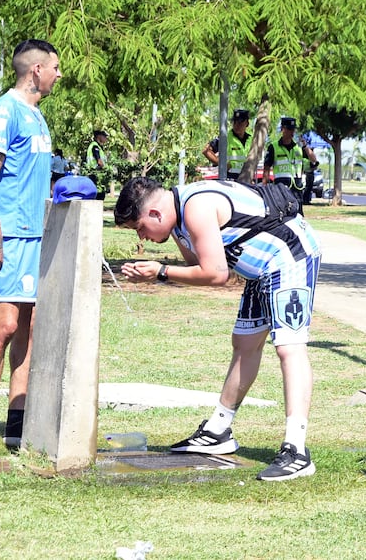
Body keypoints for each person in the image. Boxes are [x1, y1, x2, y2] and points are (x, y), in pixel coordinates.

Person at [114, 177, 321, 481]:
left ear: (155, 213)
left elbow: (215, 273)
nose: (142, 238)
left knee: (289, 347)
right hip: (261, 270)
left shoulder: (195, 208)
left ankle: (296, 449)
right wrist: (169, 247)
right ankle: (218, 430)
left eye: (141, 228)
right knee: (245, 343)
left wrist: (159, 272)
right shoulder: (179, 215)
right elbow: (198, 263)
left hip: (289, 257)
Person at [0, 39, 61, 455]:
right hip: (11, 235)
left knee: (30, 326)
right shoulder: (4, 111)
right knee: (5, 326)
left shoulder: (38, 116)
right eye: (55, 68)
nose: (59, 75)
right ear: (36, 69)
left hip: (37, 236)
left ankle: (17, 421)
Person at [262, 117, 316, 211]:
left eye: (293, 129)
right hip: (280, 188)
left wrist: (305, 146)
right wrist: (264, 188)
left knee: (298, 215)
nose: (292, 132)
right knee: (281, 214)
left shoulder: (299, 147)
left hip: (296, 189)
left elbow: (313, 160)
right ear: (283, 129)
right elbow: (266, 168)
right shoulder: (273, 147)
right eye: (289, 129)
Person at [201, 108, 253, 181]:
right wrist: (221, 164)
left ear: (247, 123)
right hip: (229, 180)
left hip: (246, 179)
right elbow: (205, 150)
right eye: (235, 122)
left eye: (240, 122)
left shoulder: (251, 139)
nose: (237, 125)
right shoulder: (225, 137)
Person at [85, 129, 109, 199]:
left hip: (95, 174)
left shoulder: (98, 147)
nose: (106, 139)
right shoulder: (95, 146)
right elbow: (99, 162)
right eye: (104, 136)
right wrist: (106, 169)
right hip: (96, 174)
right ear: (99, 136)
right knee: (99, 195)